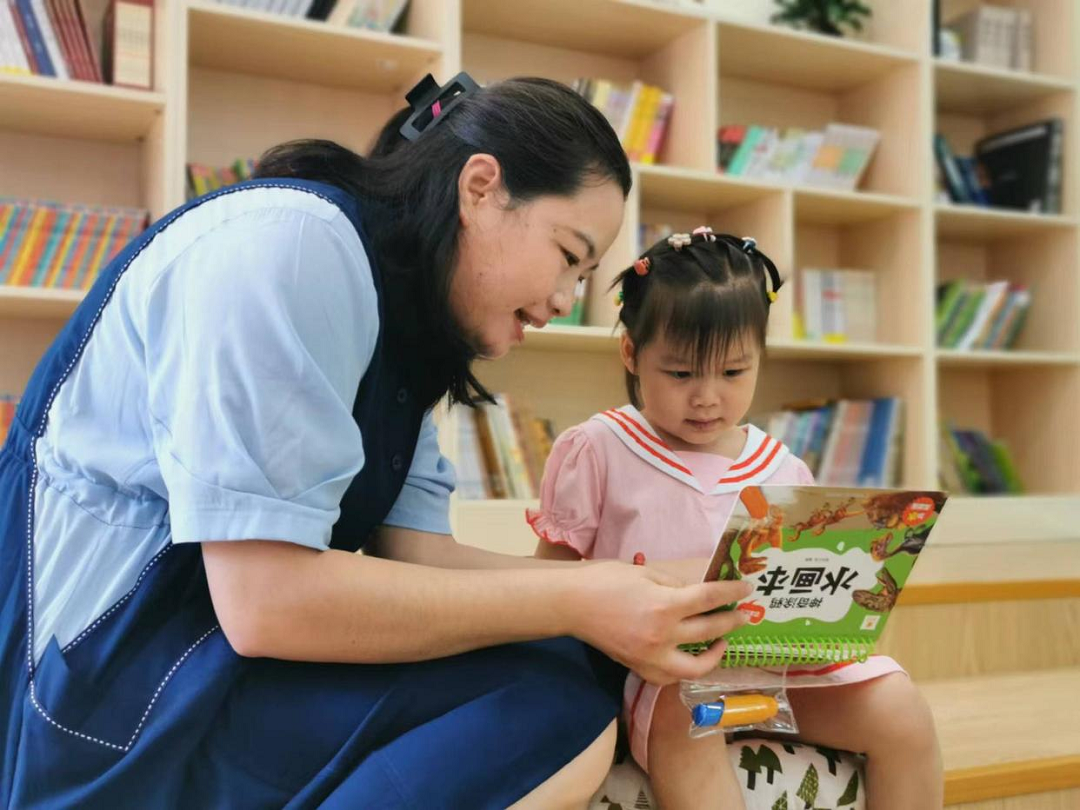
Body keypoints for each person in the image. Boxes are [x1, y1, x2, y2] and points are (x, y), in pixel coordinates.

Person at [0, 75, 752, 809]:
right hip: (97, 682)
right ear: (480, 188)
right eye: (568, 255)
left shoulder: (405, 320)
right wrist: (579, 598)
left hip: (198, 644)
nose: (563, 301)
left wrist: (638, 586)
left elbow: (419, 557)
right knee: (551, 722)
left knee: (562, 673)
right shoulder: (293, 243)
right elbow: (266, 601)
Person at [531, 229, 943, 809]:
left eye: (732, 373)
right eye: (680, 374)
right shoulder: (599, 448)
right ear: (631, 354)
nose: (707, 398)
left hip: (777, 675)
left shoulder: (783, 468)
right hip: (668, 678)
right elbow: (548, 583)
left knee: (900, 705)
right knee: (689, 708)